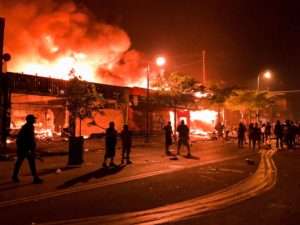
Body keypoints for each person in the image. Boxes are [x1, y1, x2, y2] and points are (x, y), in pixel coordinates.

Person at [12, 114, 44, 184]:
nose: (34, 120)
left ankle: (35, 178)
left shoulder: (31, 126)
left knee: (31, 163)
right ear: (30, 120)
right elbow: (21, 139)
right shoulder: (26, 127)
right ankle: (15, 176)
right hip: (23, 148)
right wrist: (25, 149)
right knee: (19, 162)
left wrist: (33, 148)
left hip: (29, 148)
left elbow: (31, 139)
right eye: (33, 119)